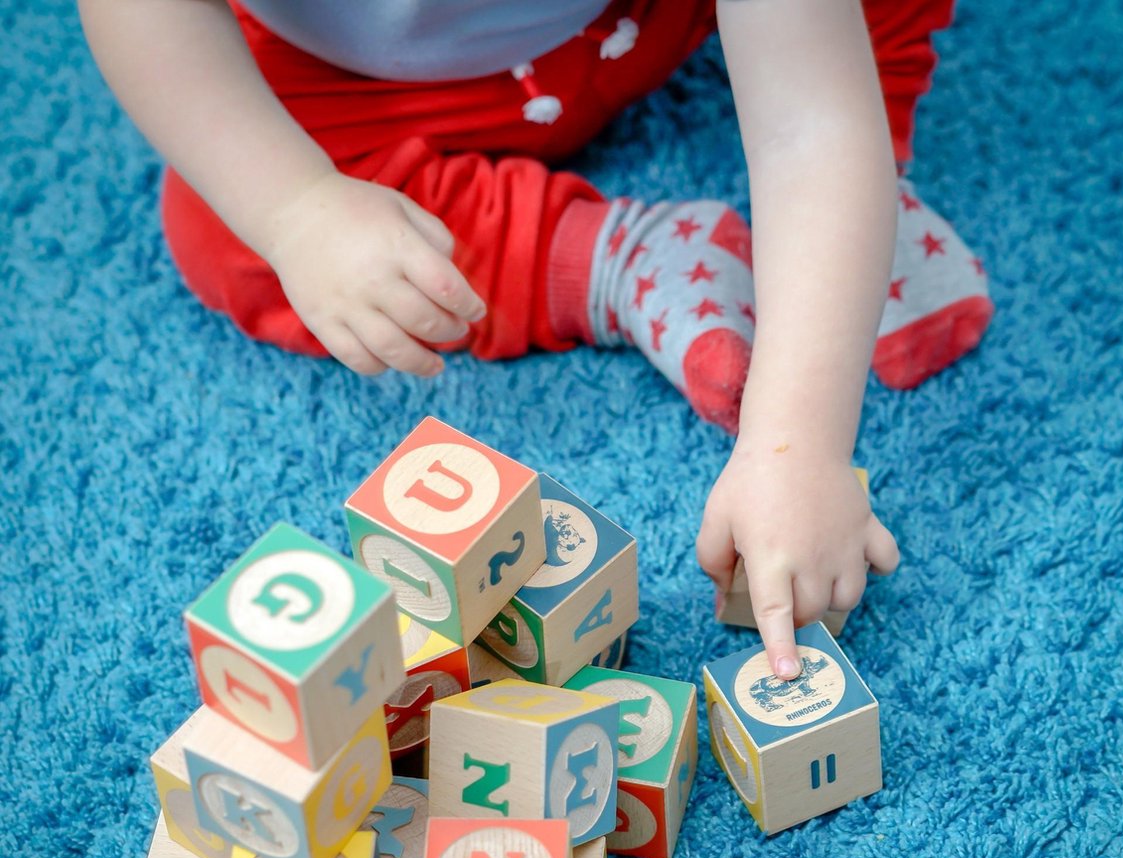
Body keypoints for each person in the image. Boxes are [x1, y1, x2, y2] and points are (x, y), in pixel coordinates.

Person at [77, 0, 992, 680]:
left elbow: (809, 122)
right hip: (363, 83)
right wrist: (296, 208)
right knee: (223, 216)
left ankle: (865, 216)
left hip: (650, 20)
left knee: (850, 65)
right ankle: (621, 259)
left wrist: (799, 444)